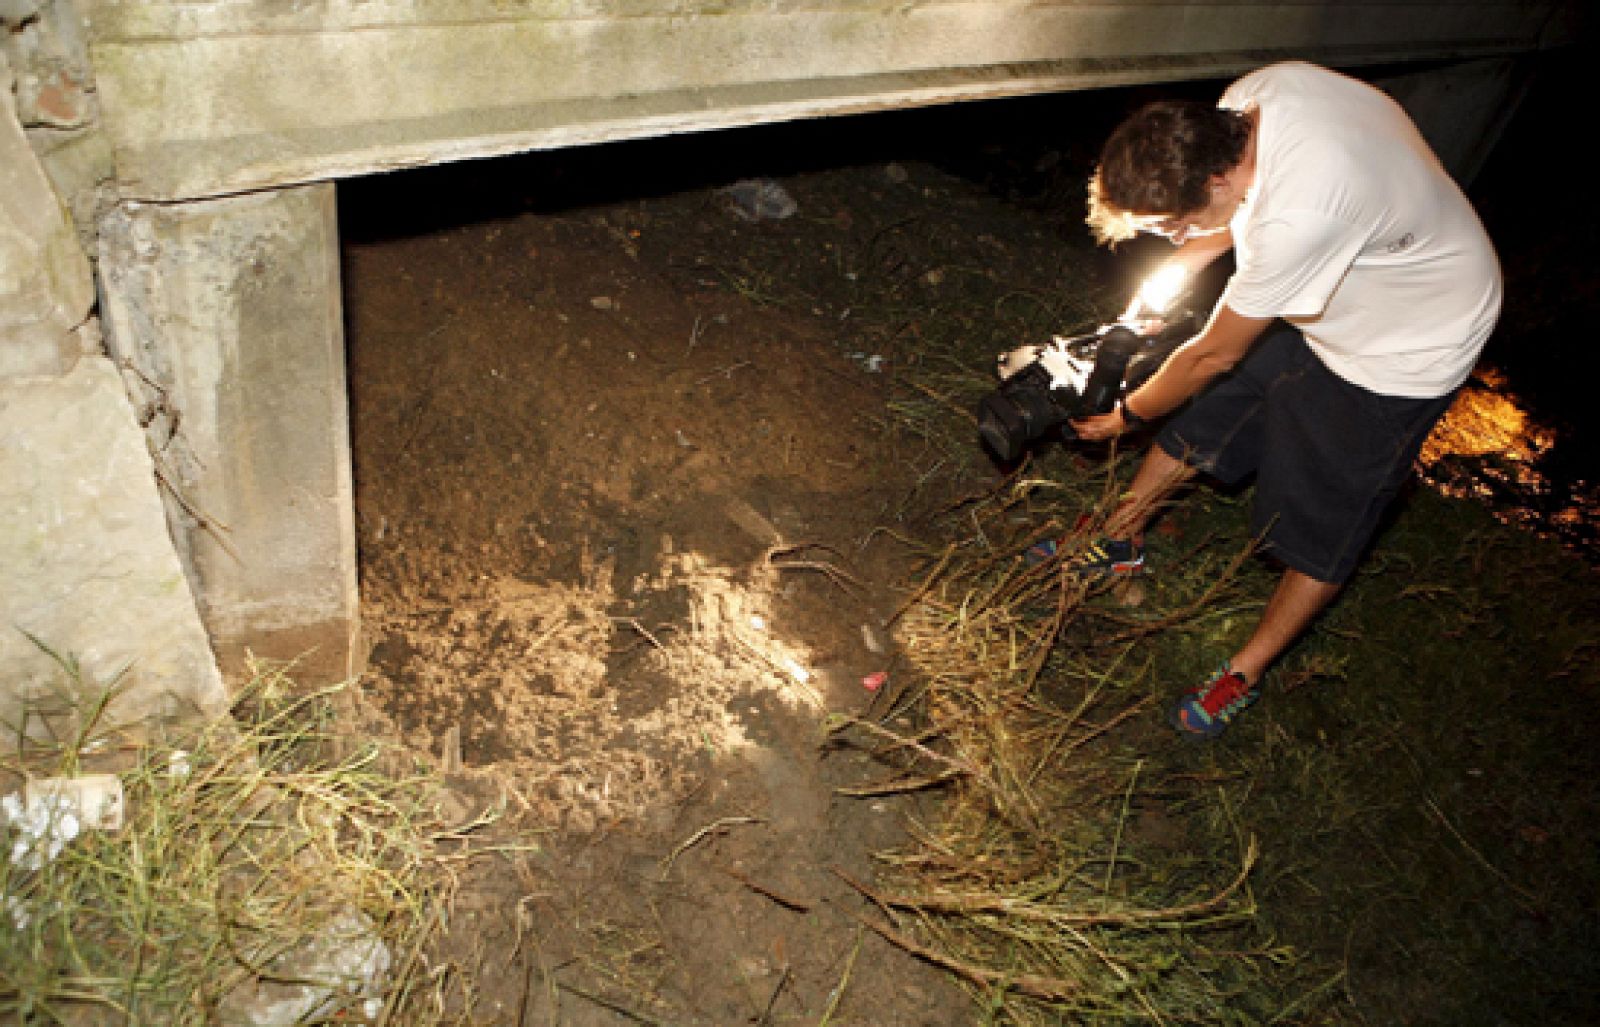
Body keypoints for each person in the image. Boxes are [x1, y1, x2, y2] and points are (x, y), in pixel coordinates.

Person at [1067, 61, 1502, 738]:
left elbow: (1213, 352)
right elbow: (1234, 228)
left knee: (1321, 526)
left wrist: (1127, 413)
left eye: (1172, 227)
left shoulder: (1299, 214)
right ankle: (1119, 537)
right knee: (1211, 417)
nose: (1174, 237)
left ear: (1215, 180)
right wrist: (1180, 265)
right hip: (1334, 284)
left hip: (1405, 341)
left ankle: (1243, 671)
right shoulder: (1249, 101)